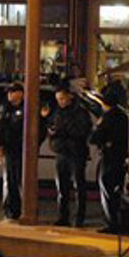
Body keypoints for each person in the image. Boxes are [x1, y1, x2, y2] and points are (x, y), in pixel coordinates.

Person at [43, 85, 93, 227]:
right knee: (62, 187)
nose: (61, 101)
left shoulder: (80, 112)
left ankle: (79, 218)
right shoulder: (57, 112)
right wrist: (52, 133)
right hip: (61, 152)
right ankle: (63, 217)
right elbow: (51, 126)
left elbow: (83, 131)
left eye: (63, 98)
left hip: (76, 153)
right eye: (58, 99)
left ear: (69, 97)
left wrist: (62, 130)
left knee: (79, 185)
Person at [89, 87, 128, 233]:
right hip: (121, 157)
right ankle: (118, 221)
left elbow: (94, 137)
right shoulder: (124, 116)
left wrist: (97, 131)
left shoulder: (107, 117)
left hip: (110, 157)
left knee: (107, 189)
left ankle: (112, 223)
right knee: (116, 190)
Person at [0, 82, 26, 222]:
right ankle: (9, 210)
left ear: (20, 93)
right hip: (9, 149)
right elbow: (0, 128)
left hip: (21, 149)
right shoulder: (4, 108)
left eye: (12, 91)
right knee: (9, 180)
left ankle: (20, 209)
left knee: (20, 179)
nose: (9, 95)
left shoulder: (26, 108)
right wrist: (0, 146)